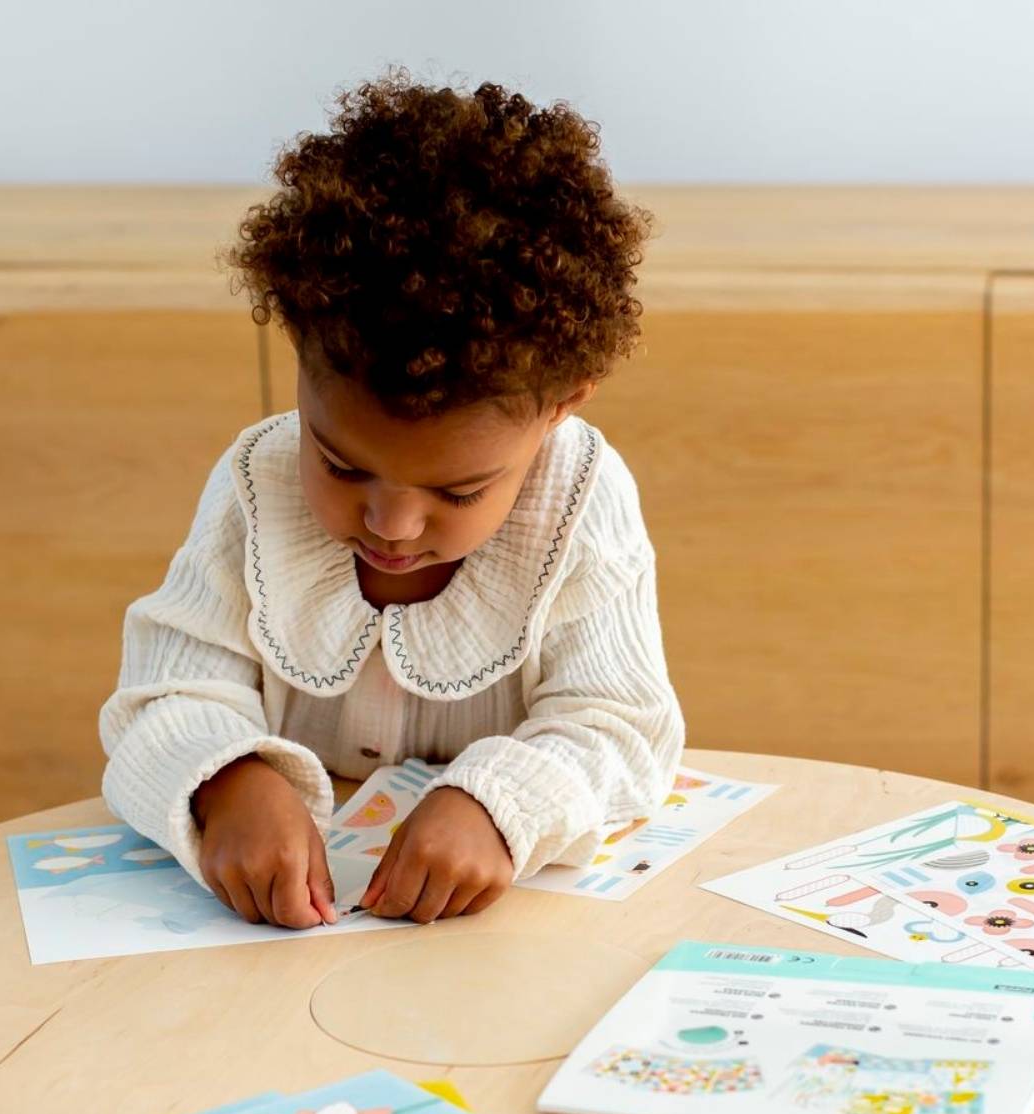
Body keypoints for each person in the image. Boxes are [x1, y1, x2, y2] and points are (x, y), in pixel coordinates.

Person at [101, 71, 682, 945]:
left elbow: (620, 727)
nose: (391, 526)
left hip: (497, 937)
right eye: (339, 465)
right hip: (276, 939)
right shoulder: (256, 483)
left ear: (564, 401)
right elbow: (166, 688)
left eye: (458, 492)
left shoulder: (583, 502)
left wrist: (498, 805)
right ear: (298, 360)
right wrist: (229, 779)